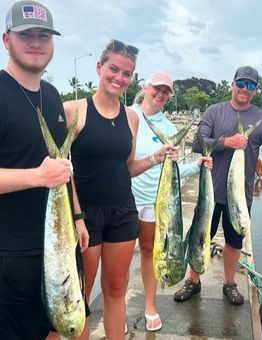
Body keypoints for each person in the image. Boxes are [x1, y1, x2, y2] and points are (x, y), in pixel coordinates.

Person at [63, 42, 178, 340]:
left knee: (116, 291)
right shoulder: (75, 111)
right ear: (99, 68)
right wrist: (76, 216)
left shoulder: (132, 118)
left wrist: (156, 157)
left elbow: (125, 168)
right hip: (85, 215)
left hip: (123, 214)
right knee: (81, 296)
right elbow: (64, 172)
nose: (119, 77)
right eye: (113, 69)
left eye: (127, 73)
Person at [0, 1, 89, 340]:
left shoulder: (52, 96)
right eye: (26, 35)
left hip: (61, 241)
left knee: (60, 327)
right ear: (7, 40)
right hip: (12, 253)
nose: (35, 42)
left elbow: (64, 168)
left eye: (43, 35)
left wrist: (78, 216)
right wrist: (38, 176)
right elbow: (48, 172)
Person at [174, 66, 262, 305]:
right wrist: (228, 142)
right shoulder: (214, 112)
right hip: (211, 192)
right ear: (232, 84)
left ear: (256, 90)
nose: (244, 89)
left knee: (234, 242)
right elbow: (198, 143)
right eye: (241, 83)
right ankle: (193, 281)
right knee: (199, 237)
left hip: (240, 195)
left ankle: (229, 283)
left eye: (250, 85)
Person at [130, 71, 213, 331]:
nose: (161, 94)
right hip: (123, 199)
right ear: (146, 87)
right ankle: (115, 307)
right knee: (116, 257)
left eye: (166, 91)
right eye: (158, 88)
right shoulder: (127, 116)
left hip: (156, 202)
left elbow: (177, 171)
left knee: (148, 252)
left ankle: (150, 306)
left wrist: (197, 165)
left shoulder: (168, 128)